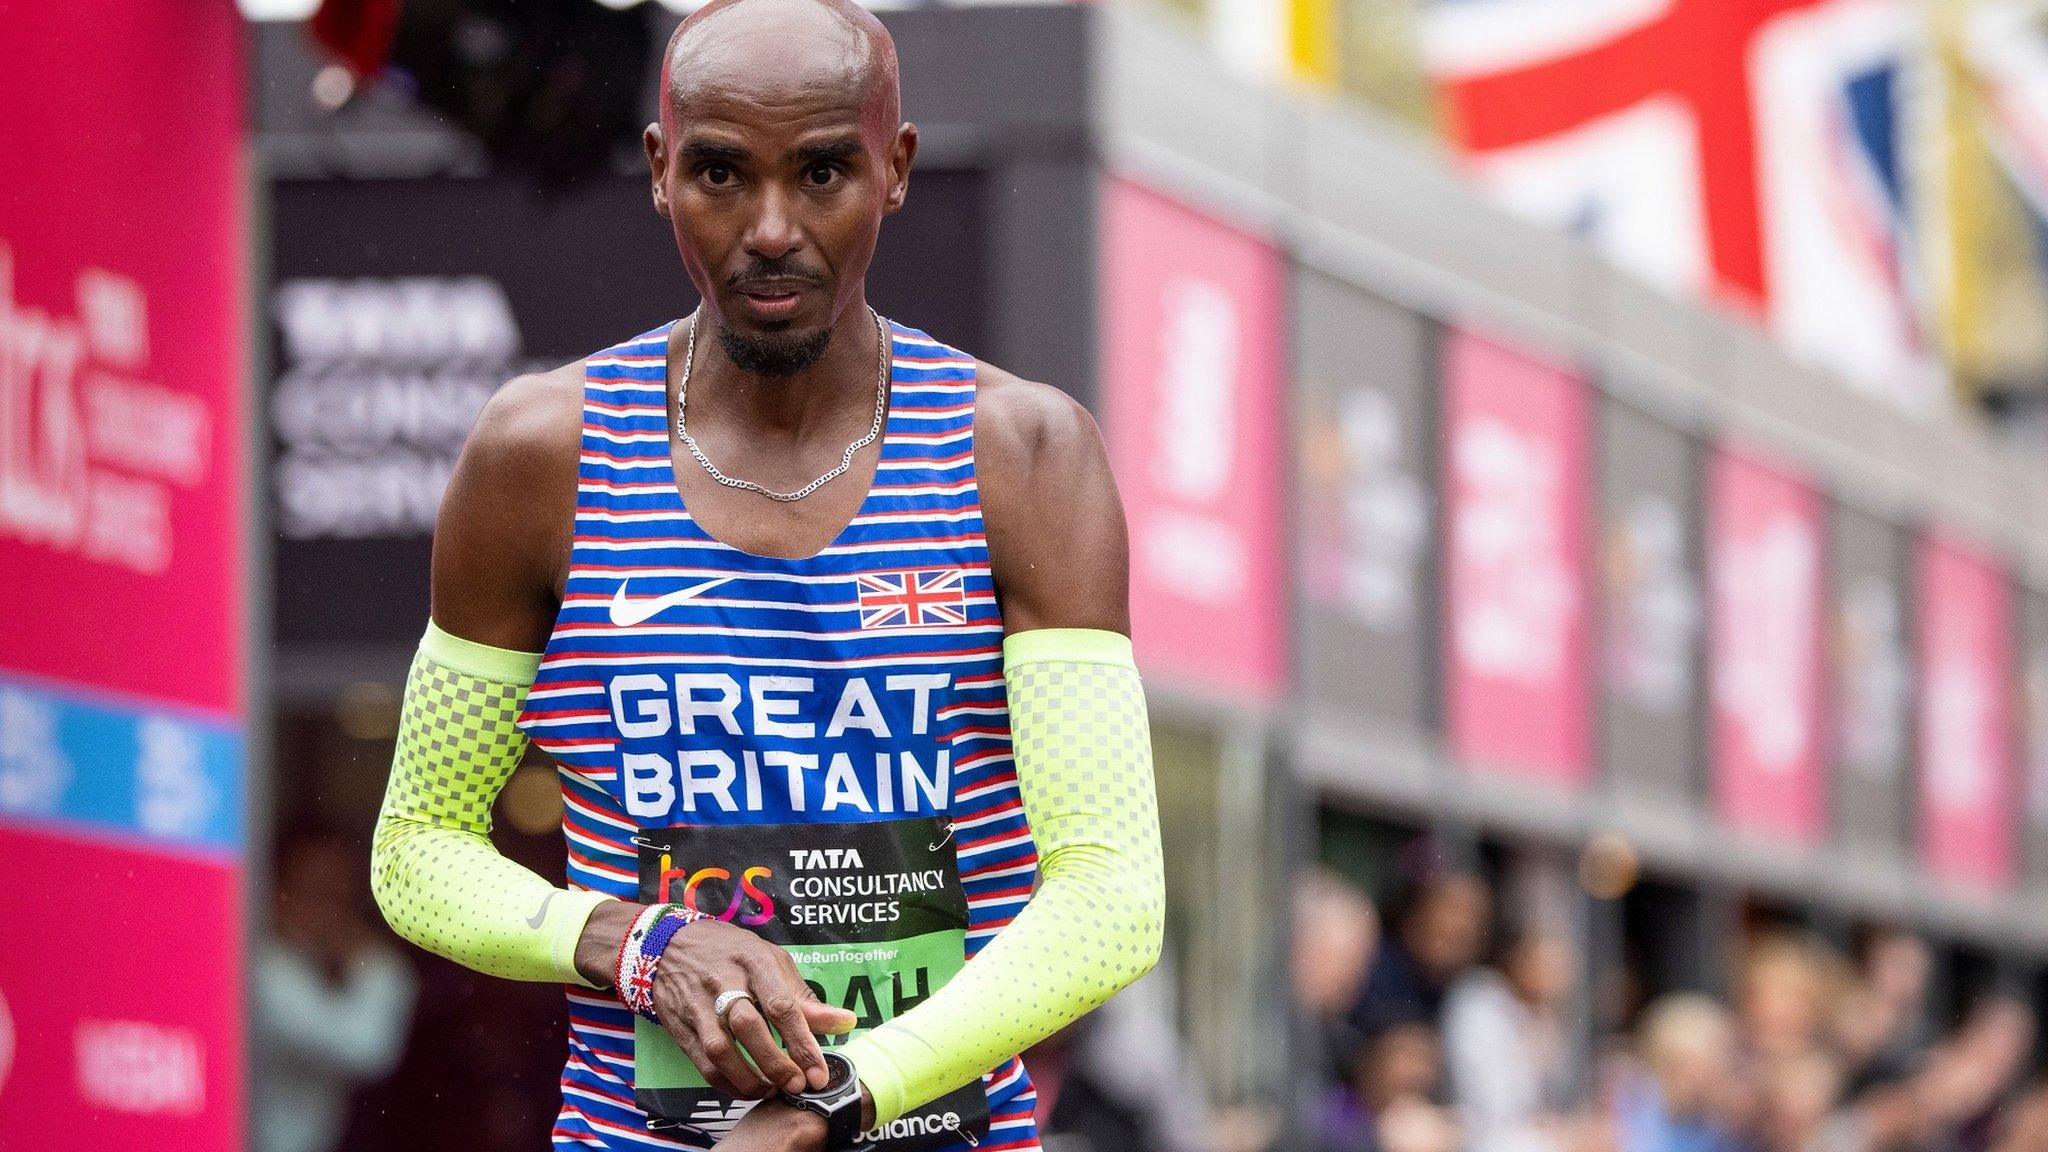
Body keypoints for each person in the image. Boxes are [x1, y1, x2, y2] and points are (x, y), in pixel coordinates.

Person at [365, 2, 1166, 1151]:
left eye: (824, 172)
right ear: (657, 171)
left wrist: (843, 1099)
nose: (772, 226)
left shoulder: (1021, 455)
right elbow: (415, 850)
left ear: (895, 171)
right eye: (723, 174)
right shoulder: (542, 457)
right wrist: (641, 946)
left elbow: (1110, 898)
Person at [254, 830, 418, 1152]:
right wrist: (374, 959)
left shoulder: (308, 967)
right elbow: (370, 1049)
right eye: (319, 893)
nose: (335, 913)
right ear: (277, 892)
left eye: (344, 897)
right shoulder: (266, 970)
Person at [1442, 926, 1579, 1152]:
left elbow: (1557, 1102)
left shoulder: (1540, 1017)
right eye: (1548, 966)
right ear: (1522, 958)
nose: (1557, 980)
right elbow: (1490, 1103)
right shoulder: (1481, 1002)